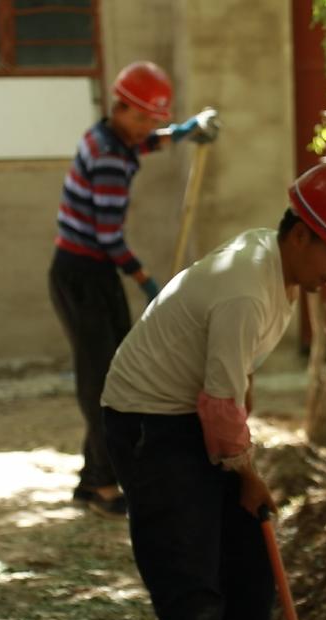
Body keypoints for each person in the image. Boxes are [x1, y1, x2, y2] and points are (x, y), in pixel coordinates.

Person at [100, 160, 326, 620]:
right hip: (148, 424)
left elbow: (233, 376)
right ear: (301, 235)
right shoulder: (247, 289)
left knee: (251, 573)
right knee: (193, 590)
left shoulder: (275, 267)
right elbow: (221, 401)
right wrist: (246, 473)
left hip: (193, 418)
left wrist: (238, 458)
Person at [49, 60, 219, 518]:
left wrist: (187, 130)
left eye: (153, 119)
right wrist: (150, 284)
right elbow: (108, 236)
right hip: (81, 273)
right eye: (140, 117)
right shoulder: (106, 156)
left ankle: (91, 481)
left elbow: (150, 142)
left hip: (95, 272)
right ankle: (103, 484)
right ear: (119, 107)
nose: (146, 126)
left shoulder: (116, 138)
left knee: (116, 373)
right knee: (104, 381)